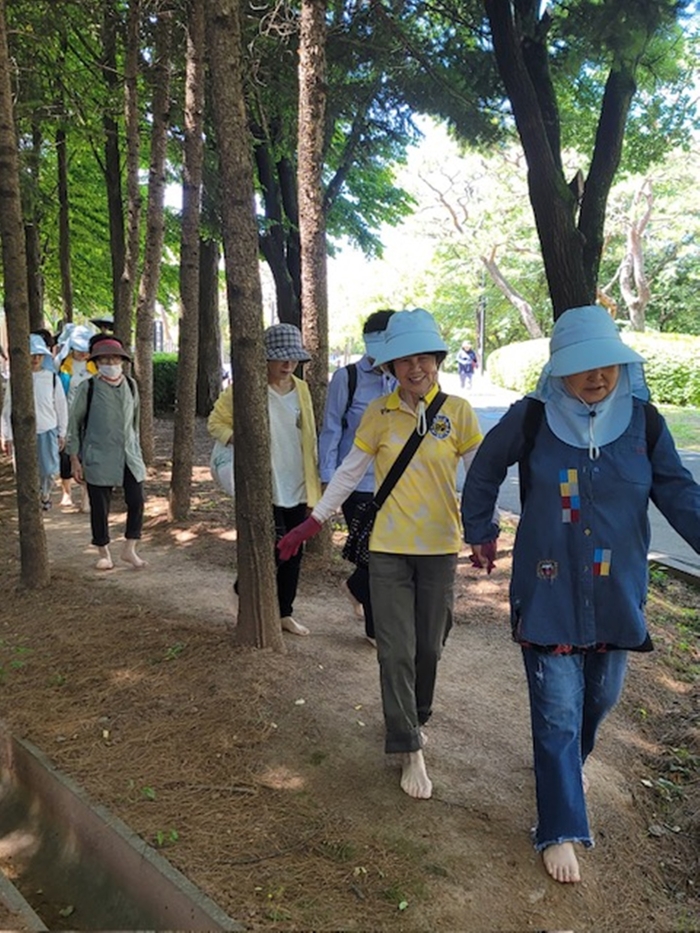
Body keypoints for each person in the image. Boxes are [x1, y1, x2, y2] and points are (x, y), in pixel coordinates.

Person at [461, 304, 700, 885]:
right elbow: (486, 470)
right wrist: (482, 529)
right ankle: (559, 825)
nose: (597, 376)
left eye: (607, 365)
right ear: (559, 370)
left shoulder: (644, 424)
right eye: (583, 366)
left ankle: (567, 768)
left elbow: (678, 491)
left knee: (602, 698)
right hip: (549, 592)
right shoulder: (532, 418)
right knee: (559, 710)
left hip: (616, 594)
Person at [277, 309, 483, 799]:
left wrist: (484, 527)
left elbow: (480, 474)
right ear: (389, 368)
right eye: (404, 361)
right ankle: (409, 745)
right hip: (387, 548)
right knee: (393, 650)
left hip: (438, 548)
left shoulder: (458, 412)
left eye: (425, 359)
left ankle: (416, 715)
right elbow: (350, 473)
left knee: (429, 646)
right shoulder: (378, 414)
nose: (416, 369)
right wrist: (314, 521)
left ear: (437, 360)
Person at [207, 323, 322, 636]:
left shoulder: (301, 389)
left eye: (293, 359)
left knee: (294, 549)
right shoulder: (246, 387)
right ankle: (241, 590)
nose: (287, 365)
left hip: (296, 477)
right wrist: (239, 441)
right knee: (274, 544)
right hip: (264, 481)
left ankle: (285, 612)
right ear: (265, 358)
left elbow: (307, 433)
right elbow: (215, 423)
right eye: (280, 358)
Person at [318, 310, 396, 645]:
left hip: (397, 484)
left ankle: (355, 588)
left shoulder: (404, 376)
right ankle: (376, 631)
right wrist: (328, 481)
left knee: (389, 554)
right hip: (358, 484)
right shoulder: (346, 378)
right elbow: (332, 429)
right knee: (374, 555)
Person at [66, 336, 147, 571]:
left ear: (122, 361)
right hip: (98, 455)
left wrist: (138, 452)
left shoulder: (131, 385)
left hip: (129, 454)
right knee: (100, 507)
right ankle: (103, 551)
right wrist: (74, 459)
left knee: (137, 500)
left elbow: (136, 423)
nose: (110, 362)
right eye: (104, 359)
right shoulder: (88, 388)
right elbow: (74, 424)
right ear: (97, 362)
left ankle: (130, 548)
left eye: (114, 358)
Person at [1, 334, 68, 510]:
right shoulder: (17, 380)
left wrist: (62, 432)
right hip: (23, 432)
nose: (36, 358)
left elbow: (61, 406)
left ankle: (45, 493)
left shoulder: (52, 379)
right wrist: (6, 434)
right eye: (32, 355)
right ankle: (30, 501)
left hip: (48, 429)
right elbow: (8, 408)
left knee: (48, 469)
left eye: (39, 355)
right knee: (23, 471)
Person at [58, 325, 97, 509]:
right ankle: (66, 492)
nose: (83, 353)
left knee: (86, 453)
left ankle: (86, 496)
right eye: (79, 349)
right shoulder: (62, 366)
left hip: (88, 416)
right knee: (66, 454)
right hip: (66, 414)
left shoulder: (94, 366)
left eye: (86, 350)